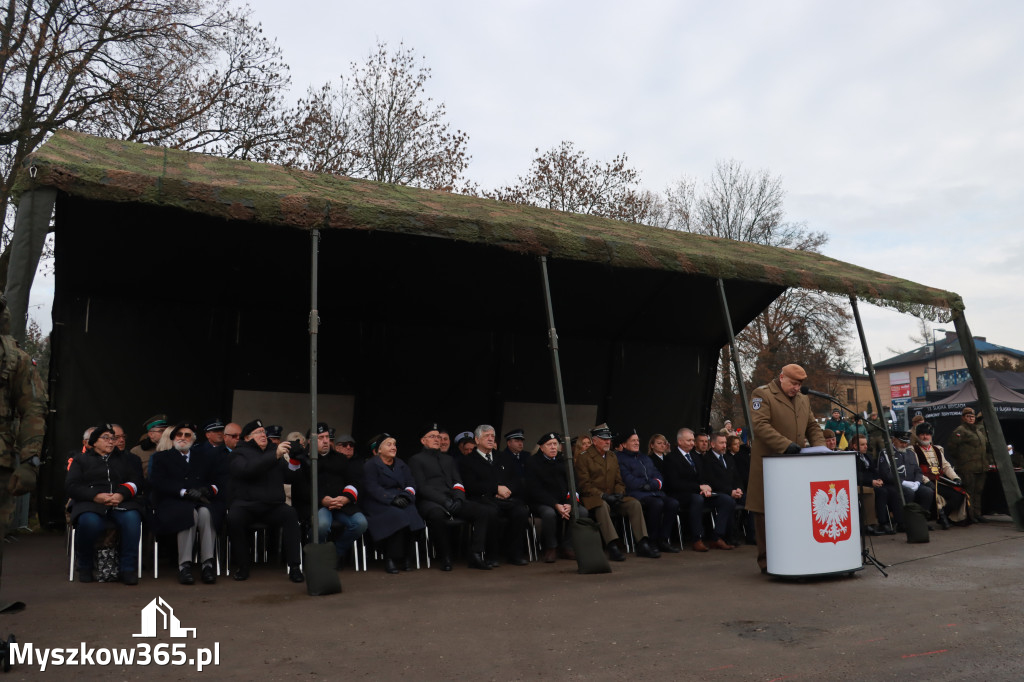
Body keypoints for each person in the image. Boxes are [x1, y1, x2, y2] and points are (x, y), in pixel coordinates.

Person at [748, 364, 825, 573]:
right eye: (793, 383)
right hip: (769, 464)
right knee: (766, 513)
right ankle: (767, 562)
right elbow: (760, 425)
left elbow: (812, 426)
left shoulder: (803, 398)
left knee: (794, 512)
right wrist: (785, 445)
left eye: (799, 384)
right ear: (781, 377)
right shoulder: (762, 394)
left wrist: (821, 450)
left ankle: (796, 554)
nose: (796, 388)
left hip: (796, 467)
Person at [409, 424, 496, 571]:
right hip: (431, 501)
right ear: (423, 441)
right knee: (437, 515)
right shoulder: (416, 460)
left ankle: (475, 554)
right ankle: (446, 557)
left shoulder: (448, 459)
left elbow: (458, 483)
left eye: (438, 437)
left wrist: (459, 499)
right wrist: (444, 501)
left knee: (483, 511)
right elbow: (422, 487)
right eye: (432, 437)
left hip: (453, 500)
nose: (437, 440)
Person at [227, 419, 304, 583]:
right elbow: (247, 470)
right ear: (247, 438)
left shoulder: (274, 451)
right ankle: (243, 566)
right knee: (234, 517)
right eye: (258, 432)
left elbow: (291, 478)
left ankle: (295, 567)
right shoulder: (238, 453)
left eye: (263, 432)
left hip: (272, 506)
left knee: (290, 514)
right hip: (246, 505)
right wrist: (275, 455)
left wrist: (295, 460)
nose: (263, 435)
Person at [66, 424, 144, 584]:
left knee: (132, 519)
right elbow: (71, 486)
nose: (111, 442)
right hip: (91, 503)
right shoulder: (80, 460)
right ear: (94, 442)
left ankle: (127, 568)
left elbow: (137, 481)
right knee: (89, 522)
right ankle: (85, 566)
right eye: (106, 438)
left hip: (121, 502)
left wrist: (121, 494)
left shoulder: (125, 459)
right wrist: (95, 496)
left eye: (113, 438)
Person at [149, 422, 224, 584]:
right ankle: (185, 566)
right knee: (188, 514)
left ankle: (207, 565)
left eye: (187, 435)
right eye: (179, 435)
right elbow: (157, 482)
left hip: (199, 501)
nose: (183, 438)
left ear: (193, 439)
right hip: (172, 502)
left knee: (206, 513)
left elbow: (218, 481)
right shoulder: (162, 457)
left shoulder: (203, 458)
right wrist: (184, 492)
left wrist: (206, 490)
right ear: (173, 438)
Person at [575, 423, 658, 561]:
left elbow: (619, 481)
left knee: (634, 504)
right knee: (602, 506)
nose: (608, 441)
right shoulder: (584, 457)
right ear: (594, 440)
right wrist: (604, 496)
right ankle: (612, 545)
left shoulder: (612, 456)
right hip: (594, 497)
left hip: (613, 496)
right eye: (603, 438)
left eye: (609, 438)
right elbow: (585, 485)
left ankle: (642, 543)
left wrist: (619, 493)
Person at [460, 425, 530, 566]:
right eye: (487, 436)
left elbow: (516, 480)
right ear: (477, 440)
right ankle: (492, 555)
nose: (491, 438)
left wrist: (508, 491)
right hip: (482, 499)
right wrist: (495, 489)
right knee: (491, 512)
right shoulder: (468, 460)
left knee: (521, 511)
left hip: (505, 499)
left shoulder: (502, 457)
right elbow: (470, 485)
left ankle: (514, 553)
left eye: (493, 436)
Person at [362, 433, 425, 574]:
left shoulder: (401, 464)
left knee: (411, 513)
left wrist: (407, 496)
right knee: (397, 516)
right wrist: (391, 499)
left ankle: (406, 557)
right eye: (389, 444)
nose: (393, 447)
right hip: (378, 502)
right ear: (379, 449)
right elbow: (372, 488)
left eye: (394, 444)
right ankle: (391, 558)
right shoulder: (371, 465)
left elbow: (411, 482)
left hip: (401, 498)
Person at [616, 429, 680, 553]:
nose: (636, 443)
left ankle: (663, 539)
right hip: (636, 494)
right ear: (624, 444)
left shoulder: (644, 457)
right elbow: (628, 480)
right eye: (633, 441)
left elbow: (658, 476)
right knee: (657, 504)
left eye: (637, 440)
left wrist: (651, 485)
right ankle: (652, 540)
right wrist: (647, 485)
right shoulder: (620, 459)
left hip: (653, 492)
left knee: (673, 503)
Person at [525, 432, 584, 562]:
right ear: (541, 447)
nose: (553, 447)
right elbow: (534, 490)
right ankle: (551, 547)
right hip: (542, 502)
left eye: (555, 444)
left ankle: (567, 547)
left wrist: (570, 503)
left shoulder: (565, 461)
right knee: (549, 513)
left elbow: (574, 485)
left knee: (581, 512)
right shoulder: (533, 462)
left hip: (564, 501)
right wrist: (555, 505)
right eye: (549, 444)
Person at [913, 421, 966, 527]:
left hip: (940, 480)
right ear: (918, 436)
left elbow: (946, 466)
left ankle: (944, 515)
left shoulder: (937, 449)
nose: (925, 437)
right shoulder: (913, 450)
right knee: (932, 493)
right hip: (925, 481)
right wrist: (926, 481)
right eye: (922, 434)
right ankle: (940, 517)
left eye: (927, 434)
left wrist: (955, 478)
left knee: (960, 494)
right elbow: (915, 469)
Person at [944, 407, 991, 523]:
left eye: (973, 416)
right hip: (967, 467)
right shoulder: (960, 431)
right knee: (969, 492)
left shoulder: (978, 430)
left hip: (981, 466)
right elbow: (951, 448)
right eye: (968, 416)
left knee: (978, 491)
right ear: (963, 418)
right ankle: (969, 515)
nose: (971, 418)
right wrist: (963, 459)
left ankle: (977, 514)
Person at [700, 433, 744, 547]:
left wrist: (738, 489)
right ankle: (718, 536)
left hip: (732, 492)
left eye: (725, 443)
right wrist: (730, 492)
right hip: (715, 494)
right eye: (721, 443)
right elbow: (712, 481)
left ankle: (751, 535)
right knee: (728, 501)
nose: (724, 445)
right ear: (713, 444)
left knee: (751, 500)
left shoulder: (728, 458)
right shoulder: (707, 460)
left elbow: (737, 477)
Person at [855, 435, 904, 534]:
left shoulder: (867, 456)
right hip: (862, 483)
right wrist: (871, 481)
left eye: (866, 444)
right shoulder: (852, 457)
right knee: (882, 492)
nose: (866, 446)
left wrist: (879, 479)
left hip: (873, 482)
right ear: (855, 446)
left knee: (893, 491)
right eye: (862, 445)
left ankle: (900, 521)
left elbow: (874, 470)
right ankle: (882, 522)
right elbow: (856, 474)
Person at [888, 429, 935, 512]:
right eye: (901, 442)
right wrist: (903, 482)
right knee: (909, 493)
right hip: (897, 484)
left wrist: (917, 482)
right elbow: (886, 473)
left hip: (913, 483)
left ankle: (920, 519)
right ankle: (906, 520)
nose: (904, 445)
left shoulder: (910, 453)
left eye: (906, 443)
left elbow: (918, 470)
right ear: (894, 440)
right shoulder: (887, 453)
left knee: (928, 492)